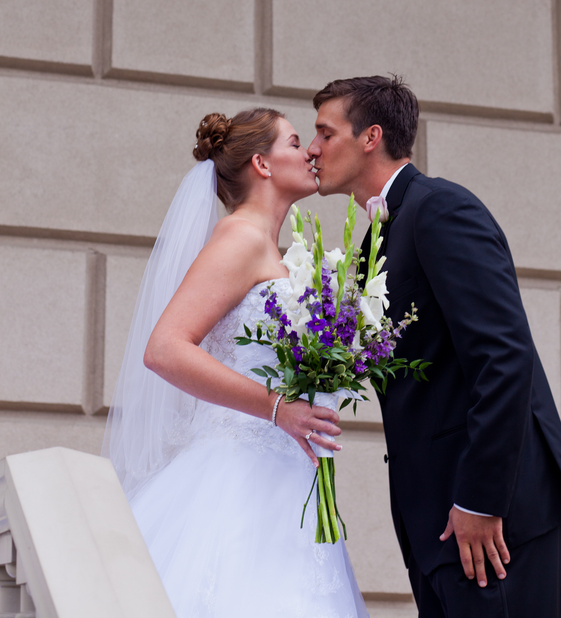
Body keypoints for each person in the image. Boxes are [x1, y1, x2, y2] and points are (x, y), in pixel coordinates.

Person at [307, 75, 561, 618]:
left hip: (491, 519)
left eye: (324, 132)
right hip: (435, 521)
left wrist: (480, 499)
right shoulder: (375, 242)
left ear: (371, 136)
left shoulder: (441, 211)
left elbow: (505, 357)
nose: (313, 148)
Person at [103, 107, 368, 618]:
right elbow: (165, 348)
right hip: (238, 476)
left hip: (287, 476)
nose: (310, 151)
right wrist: (278, 408)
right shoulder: (240, 237)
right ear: (262, 164)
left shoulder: (278, 250)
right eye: (295, 142)